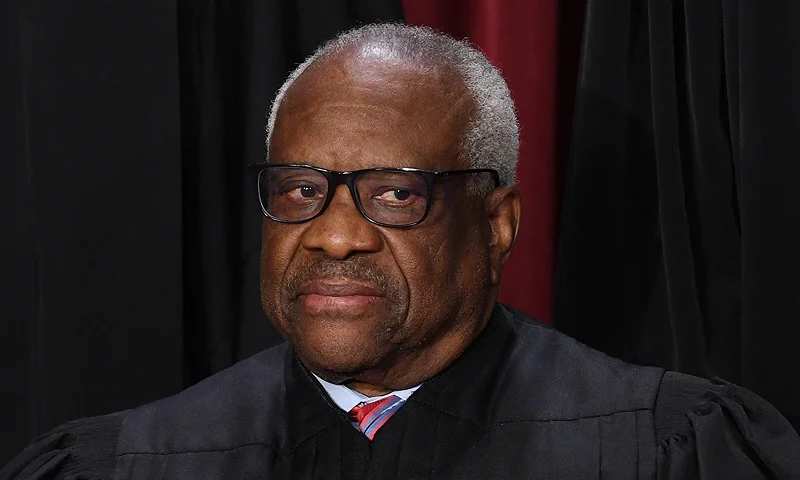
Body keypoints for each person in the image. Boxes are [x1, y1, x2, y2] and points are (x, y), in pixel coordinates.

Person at [2, 23, 799, 480]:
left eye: (394, 193)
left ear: (496, 227)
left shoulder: (661, 450)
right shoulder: (134, 464)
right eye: (300, 189)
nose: (334, 233)